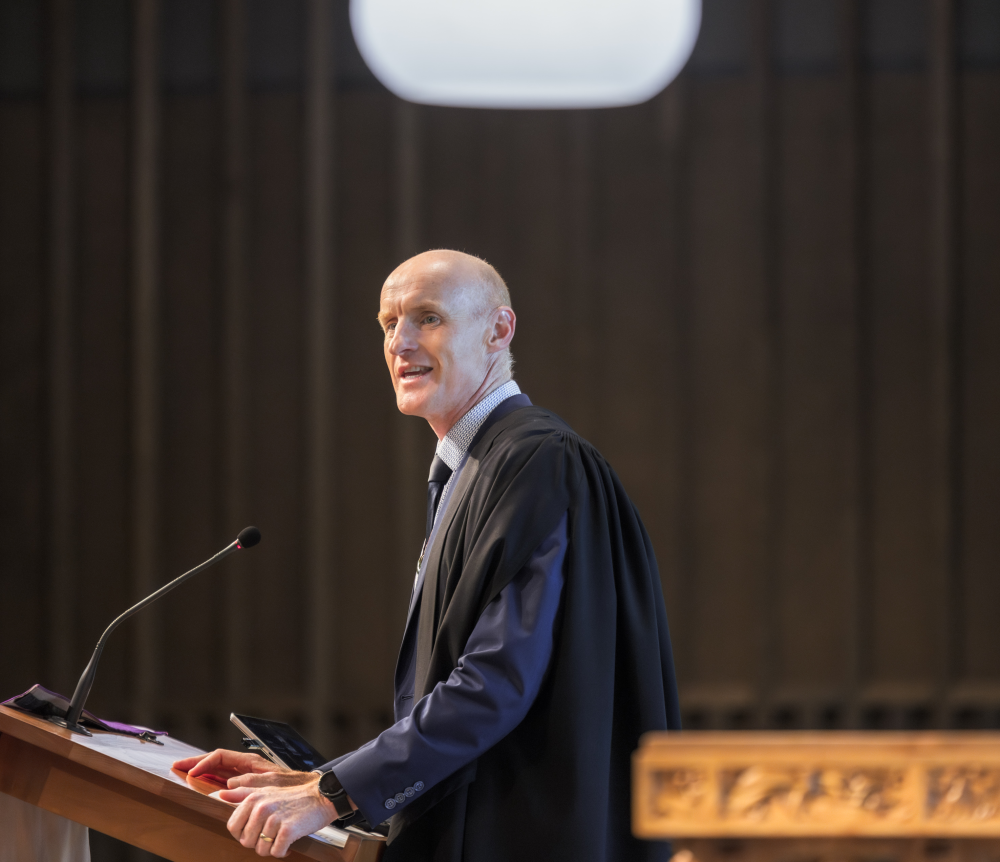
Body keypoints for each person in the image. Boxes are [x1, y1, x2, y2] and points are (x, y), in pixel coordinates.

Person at [174, 249, 680, 860]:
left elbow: (497, 680)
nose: (400, 343)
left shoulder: (537, 459)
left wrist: (333, 793)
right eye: (389, 324)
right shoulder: (474, 467)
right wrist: (319, 780)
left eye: (429, 318)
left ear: (498, 329)